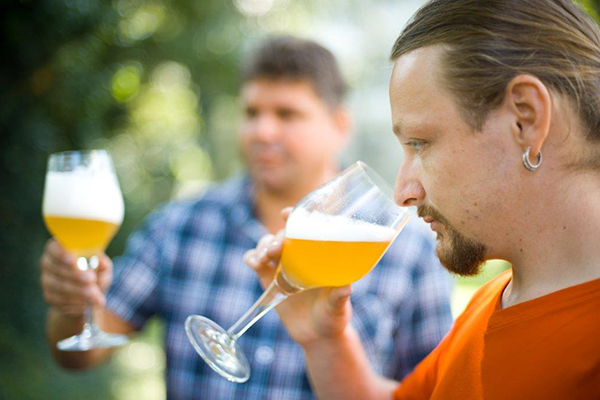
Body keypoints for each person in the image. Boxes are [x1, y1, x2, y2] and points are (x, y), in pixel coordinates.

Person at [39, 36, 453, 399]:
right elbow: (81, 355)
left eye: (287, 114)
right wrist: (72, 306)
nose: (262, 131)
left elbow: (431, 392)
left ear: (339, 126)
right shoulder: (180, 226)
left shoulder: (409, 254)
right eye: (252, 113)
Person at [246, 1, 600, 399]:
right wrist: (324, 341)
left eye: (420, 143)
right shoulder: (495, 301)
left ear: (526, 117)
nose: (404, 193)